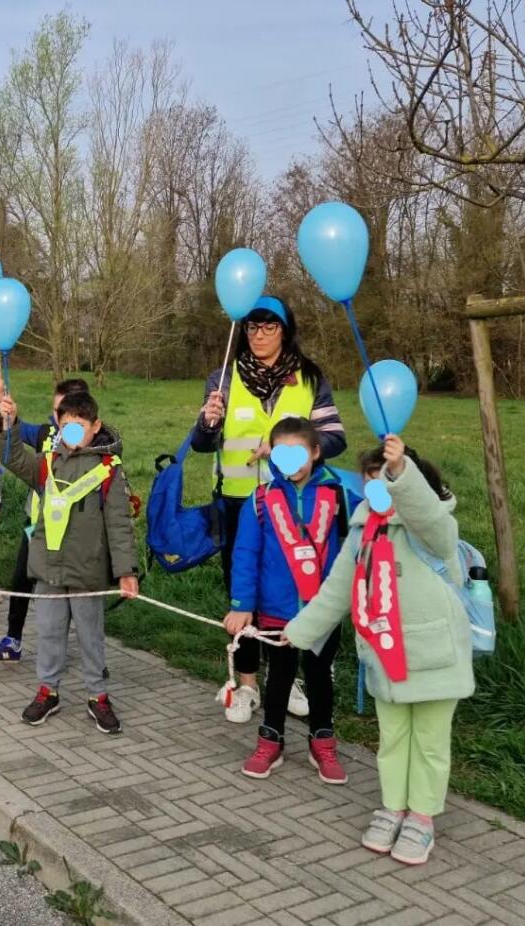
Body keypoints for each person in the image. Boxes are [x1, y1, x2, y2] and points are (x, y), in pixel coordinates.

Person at [283, 436, 474, 866]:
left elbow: (430, 519)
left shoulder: (433, 526)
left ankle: (422, 817)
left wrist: (401, 471)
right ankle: (393, 808)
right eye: (371, 483)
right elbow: (336, 592)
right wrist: (296, 633)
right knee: (393, 739)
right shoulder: (361, 533)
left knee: (430, 743)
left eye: (387, 482)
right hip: (385, 658)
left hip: (435, 655)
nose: (378, 491)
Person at [192, 295, 346, 720]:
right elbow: (203, 443)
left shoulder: (310, 378)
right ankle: (246, 683)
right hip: (238, 501)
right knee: (243, 591)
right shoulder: (223, 378)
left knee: (292, 587)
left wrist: (286, 448)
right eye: (252, 327)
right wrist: (207, 422)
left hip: (294, 503)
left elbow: (334, 438)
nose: (259, 335)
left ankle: (287, 674)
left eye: (269, 327)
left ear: (285, 330)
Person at [221, 417, 360, 783]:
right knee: (279, 677)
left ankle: (322, 741)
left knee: (319, 677)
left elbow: (375, 522)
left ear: (315, 452)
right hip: (275, 609)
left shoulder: (339, 495)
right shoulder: (260, 499)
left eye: (298, 453)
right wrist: (241, 605)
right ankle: (271, 740)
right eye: (281, 454)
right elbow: (245, 553)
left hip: (322, 609)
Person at [0, 390, 139, 734]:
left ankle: (97, 695)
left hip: (87, 571)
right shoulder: (47, 463)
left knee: (91, 636)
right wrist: (9, 423)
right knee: (49, 632)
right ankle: (48, 690)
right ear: (57, 427)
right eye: (65, 426)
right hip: (48, 569)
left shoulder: (109, 470)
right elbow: (12, 457)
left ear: (95, 427)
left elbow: (119, 525)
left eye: (79, 426)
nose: (71, 433)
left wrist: (126, 572)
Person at [0, 375, 90, 663]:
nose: (57, 419)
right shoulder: (46, 433)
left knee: (72, 591)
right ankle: (13, 640)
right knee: (21, 579)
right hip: (38, 524)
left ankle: (88, 653)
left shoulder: (96, 444)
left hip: (75, 531)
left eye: (64, 412)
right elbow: (17, 431)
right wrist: (3, 405)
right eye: (55, 411)